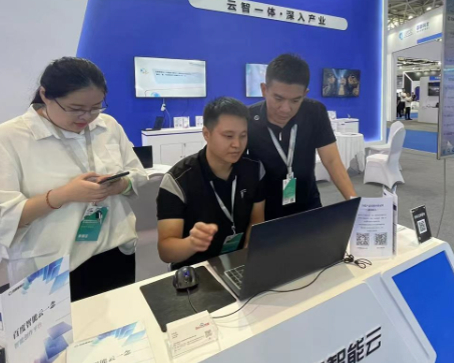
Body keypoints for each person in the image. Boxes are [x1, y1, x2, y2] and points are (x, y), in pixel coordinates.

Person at [0, 57, 148, 301]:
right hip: (51, 267)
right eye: (75, 108)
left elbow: (137, 173)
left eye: (96, 107)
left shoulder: (108, 126)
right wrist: (64, 195)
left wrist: (121, 184)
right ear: (45, 95)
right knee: (61, 326)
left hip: (114, 250)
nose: (86, 117)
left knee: (120, 320)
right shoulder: (10, 138)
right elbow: (5, 216)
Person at [156, 97, 265, 269]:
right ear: (206, 134)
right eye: (228, 136)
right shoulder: (178, 180)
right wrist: (192, 243)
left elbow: (257, 221)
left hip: (239, 263)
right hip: (196, 268)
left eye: (243, 136)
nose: (237, 144)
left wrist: (246, 254)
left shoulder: (254, 169)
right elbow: (166, 251)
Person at [247, 54, 357, 220]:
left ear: (305, 94)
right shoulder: (248, 118)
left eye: (295, 100)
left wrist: (354, 202)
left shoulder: (315, 112)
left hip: (308, 205)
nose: (285, 109)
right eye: (278, 98)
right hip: (263, 211)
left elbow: (332, 161)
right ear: (264, 90)